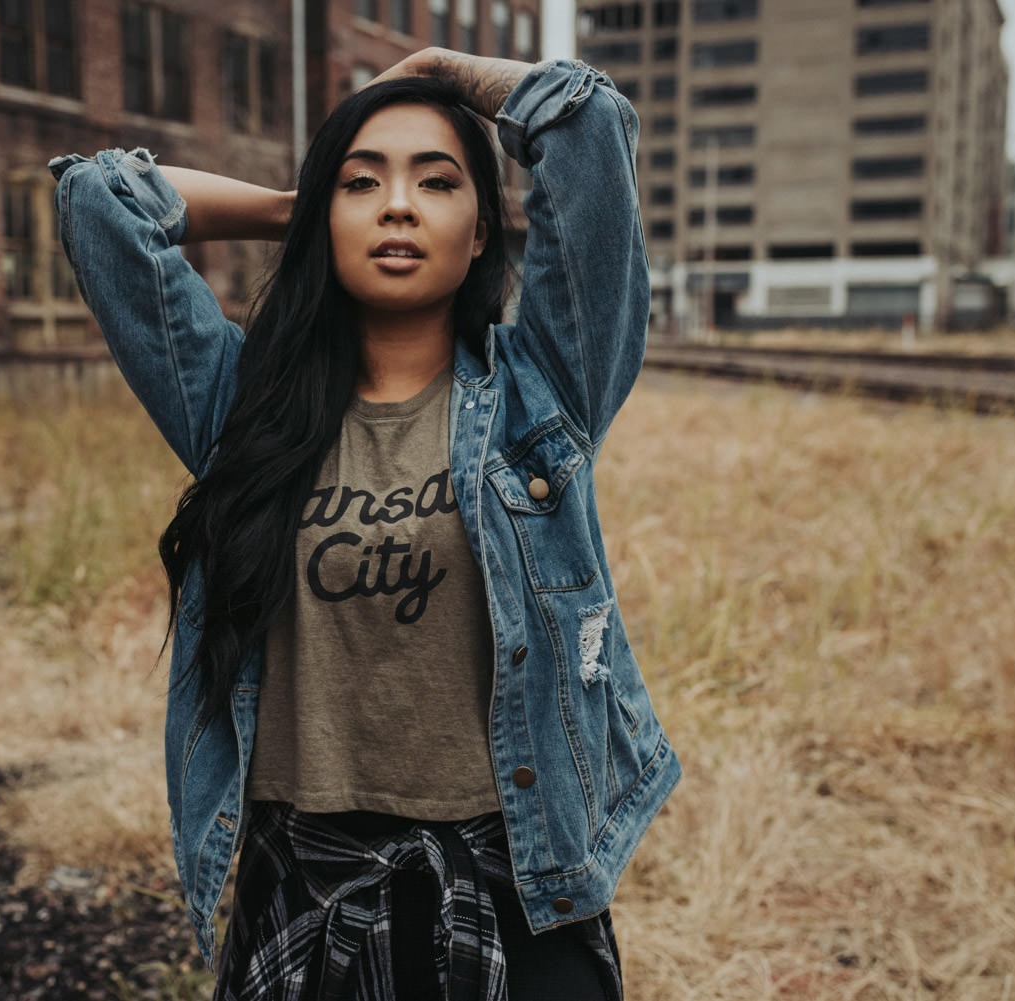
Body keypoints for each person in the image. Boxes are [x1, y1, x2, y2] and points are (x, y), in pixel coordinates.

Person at [51, 47, 681, 1001]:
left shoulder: (541, 389)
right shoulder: (241, 408)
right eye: (361, 184)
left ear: (479, 232)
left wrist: (441, 70)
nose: (397, 206)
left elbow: (589, 133)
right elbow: (102, 203)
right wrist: (295, 211)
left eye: (437, 182)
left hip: (515, 884)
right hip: (304, 891)